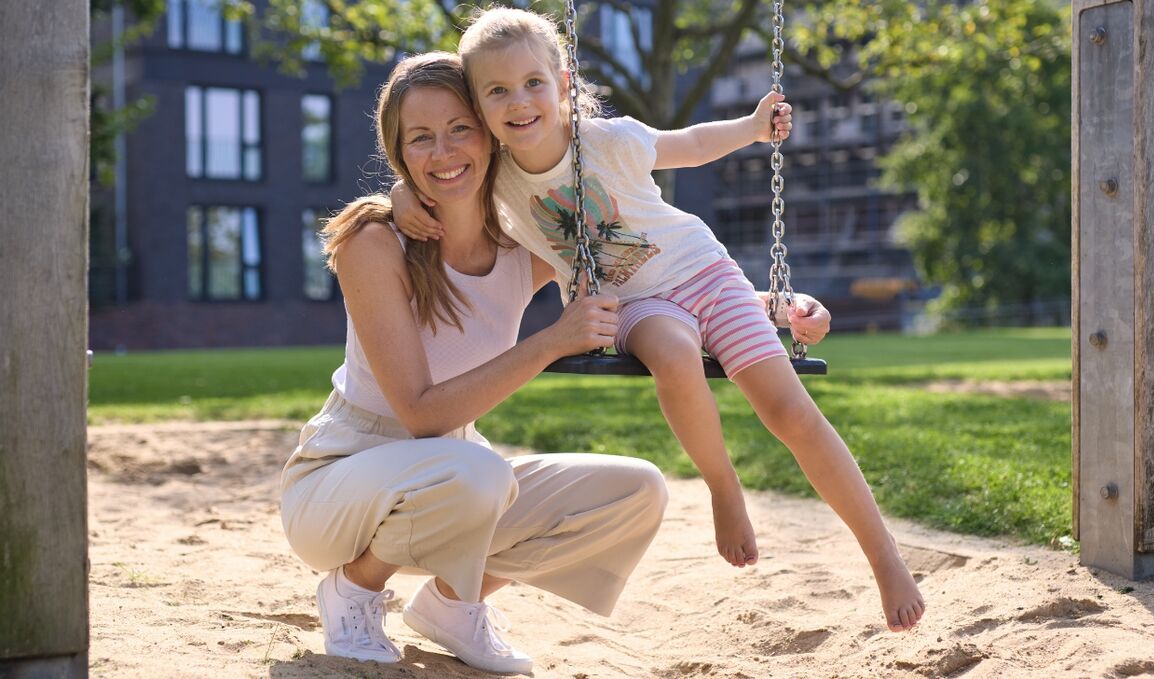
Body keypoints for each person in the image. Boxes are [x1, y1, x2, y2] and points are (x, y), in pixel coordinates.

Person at [390, 7, 925, 633]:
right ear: (479, 108)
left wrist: (753, 128)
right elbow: (438, 176)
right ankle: (724, 487)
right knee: (673, 351)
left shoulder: (609, 141)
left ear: (564, 84)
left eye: (534, 82)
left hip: (704, 272)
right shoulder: (494, 178)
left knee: (790, 411)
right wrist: (404, 194)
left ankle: (884, 556)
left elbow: (691, 146)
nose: (520, 101)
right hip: (629, 305)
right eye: (497, 91)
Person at [279, 52, 674, 675]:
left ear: (491, 136)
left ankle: (453, 603)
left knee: (636, 490)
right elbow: (419, 413)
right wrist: (550, 341)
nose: (444, 151)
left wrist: (770, 308)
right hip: (339, 488)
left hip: (457, 484)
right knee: (479, 471)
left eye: (460, 128)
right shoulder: (375, 243)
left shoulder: (525, 247)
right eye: (421, 138)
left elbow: (652, 269)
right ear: (400, 154)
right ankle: (353, 589)